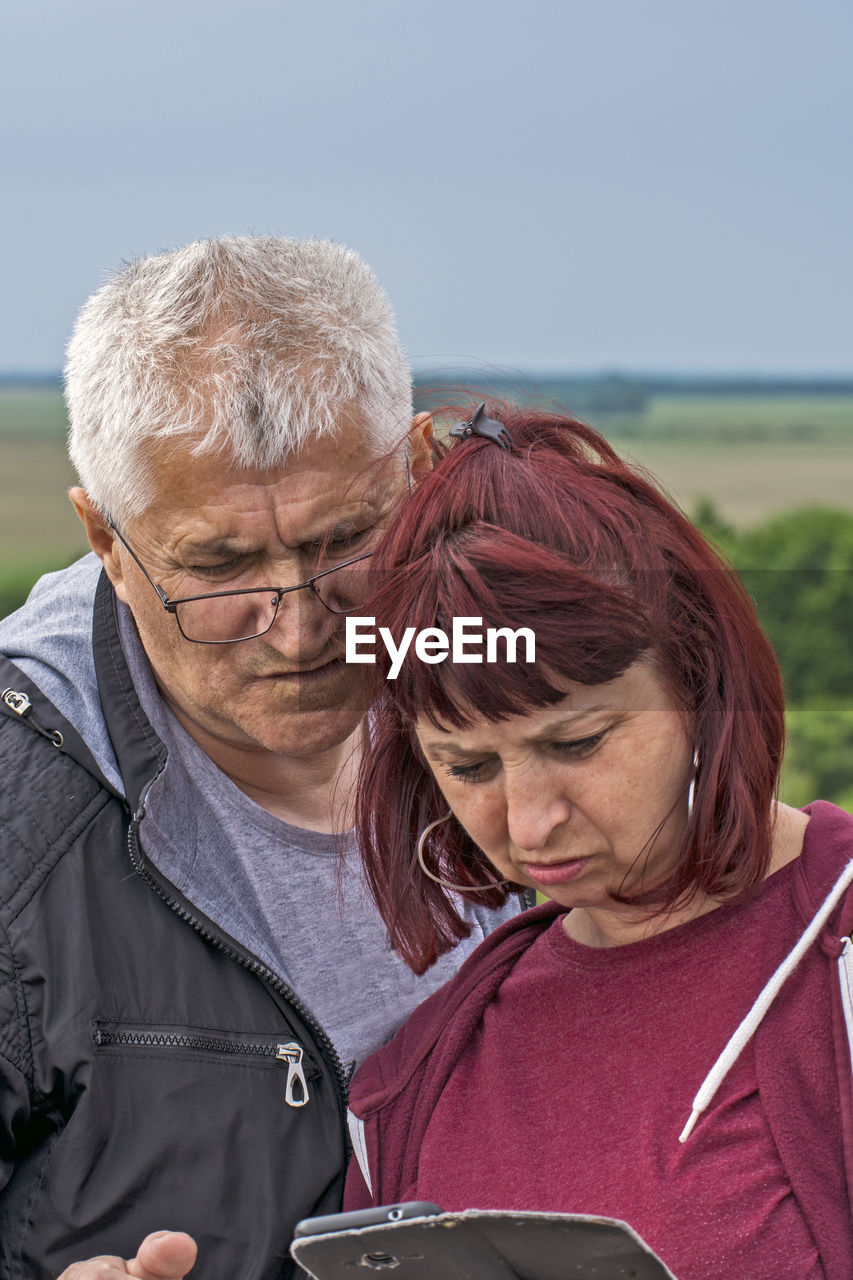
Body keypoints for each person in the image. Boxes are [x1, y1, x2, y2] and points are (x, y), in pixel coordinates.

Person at [0, 240, 523, 1278]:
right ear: (104, 535)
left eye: (345, 541)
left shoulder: (534, 672)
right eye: (219, 565)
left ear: (420, 467)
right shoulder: (23, 815)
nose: (296, 631)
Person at [338, 405, 853, 1280]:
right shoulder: (418, 1072)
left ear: (697, 679)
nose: (531, 823)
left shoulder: (832, 966)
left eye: (575, 743)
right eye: (467, 767)